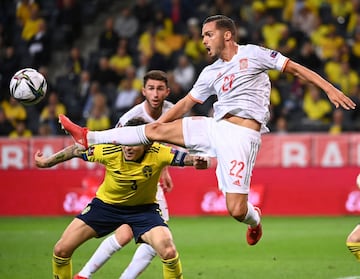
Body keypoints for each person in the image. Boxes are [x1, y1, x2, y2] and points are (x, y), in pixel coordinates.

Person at [59, 15, 356, 248]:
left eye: (208, 34)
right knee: (153, 131)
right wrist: (161, 125)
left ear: (227, 35)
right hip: (214, 127)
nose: (203, 41)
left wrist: (329, 89)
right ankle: (89, 136)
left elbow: (295, 68)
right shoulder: (209, 72)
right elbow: (188, 102)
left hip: (242, 137)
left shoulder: (253, 54)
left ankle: (255, 221)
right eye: (202, 36)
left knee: (236, 210)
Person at [35, 117, 209, 279]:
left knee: (169, 251)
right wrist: (46, 163)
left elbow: (186, 158)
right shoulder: (110, 150)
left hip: (144, 211)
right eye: (126, 143)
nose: (128, 147)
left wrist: (197, 161)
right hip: (105, 207)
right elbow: (76, 150)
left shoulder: (158, 152)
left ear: (147, 145)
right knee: (61, 250)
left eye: (134, 143)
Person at [75, 70, 176, 279]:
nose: (155, 94)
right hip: (131, 178)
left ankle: (84, 275)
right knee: (159, 235)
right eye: (151, 88)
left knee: (127, 232)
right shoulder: (130, 118)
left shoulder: (173, 111)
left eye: (159, 89)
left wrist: (163, 169)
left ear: (167, 91)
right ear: (143, 91)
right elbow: (115, 148)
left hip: (150, 176)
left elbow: (167, 143)